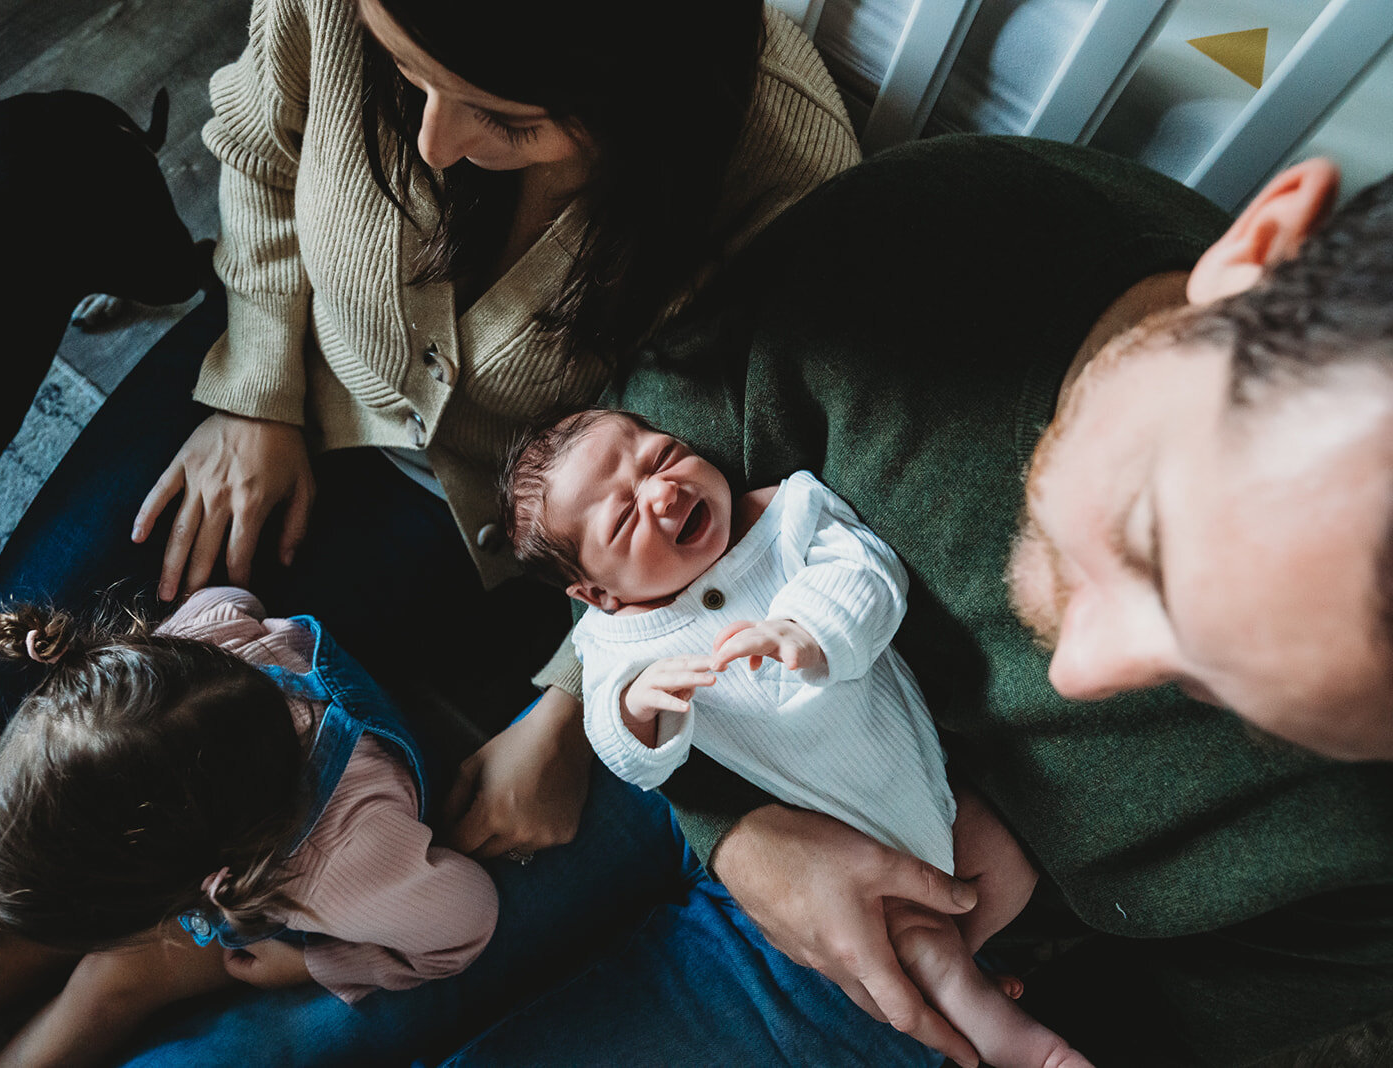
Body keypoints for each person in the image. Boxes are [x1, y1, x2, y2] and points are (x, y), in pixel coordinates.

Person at [0, 0, 866, 1062]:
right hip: (293, 385)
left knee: (160, 819)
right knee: (6, 713)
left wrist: (571, 709)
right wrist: (254, 391)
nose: (437, 142)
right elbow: (259, 155)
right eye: (408, 79)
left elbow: (717, 479)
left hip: (486, 535)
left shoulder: (783, 177)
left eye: (504, 118)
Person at [453, 140, 1393, 1066]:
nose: (1073, 673)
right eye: (1150, 542)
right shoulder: (948, 240)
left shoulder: (1363, 856)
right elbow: (617, 490)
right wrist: (721, 820)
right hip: (690, 753)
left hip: (937, 948)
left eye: (1221, 695)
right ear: (1252, 259)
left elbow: (1160, 1019)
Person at [502, 407, 1091, 1068]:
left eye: (663, 456)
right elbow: (624, 752)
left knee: (1003, 865)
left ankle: (968, 963)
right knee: (920, 943)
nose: (664, 492)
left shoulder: (787, 513)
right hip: (826, 831)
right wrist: (637, 710)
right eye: (626, 516)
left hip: (942, 787)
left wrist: (808, 630)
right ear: (598, 593)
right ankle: (1028, 1047)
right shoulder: (613, 643)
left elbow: (868, 575)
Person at [0, 586, 496, 1067]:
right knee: (45, 928)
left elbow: (467, 918)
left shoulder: (343, 871)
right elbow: (233, 598)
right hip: (221, 819)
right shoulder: (199, 648)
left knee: (110, 982)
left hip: (280, 883)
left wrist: (320, 965)